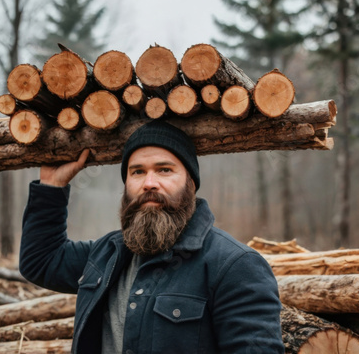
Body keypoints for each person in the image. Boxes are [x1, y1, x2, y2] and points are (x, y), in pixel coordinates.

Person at [19, 120, 285, 354]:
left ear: (190, 183)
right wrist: (51, 187)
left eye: (164, 170)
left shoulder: (235, 266)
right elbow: (42, 260)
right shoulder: (105, 255)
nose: (149, 183)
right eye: (137, 171)